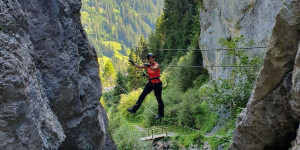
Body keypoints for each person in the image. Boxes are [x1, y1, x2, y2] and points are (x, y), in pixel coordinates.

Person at [127, 53, 164, 119]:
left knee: (159, 99)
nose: (150, 60)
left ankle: (161, 114)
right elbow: (138, 66)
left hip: (157, 84)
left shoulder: (156, 65)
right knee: (142, 96)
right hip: (150, 83)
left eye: (151, 58)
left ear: (154, 58)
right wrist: (133, 64)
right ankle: (134, 109)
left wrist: (149, 66)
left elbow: (154, 69)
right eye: (149, 59)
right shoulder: (148, 65)